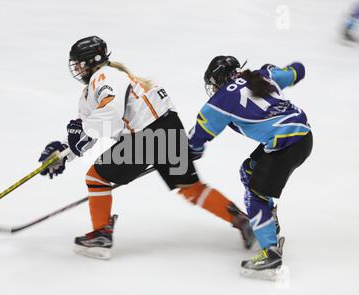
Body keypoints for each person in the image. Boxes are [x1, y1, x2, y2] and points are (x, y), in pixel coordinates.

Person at [38, 36, 254, 260]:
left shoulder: (105, 76)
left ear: (92, 61)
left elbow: (109, 119)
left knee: (96, 178)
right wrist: (63, 153)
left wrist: (80, 135)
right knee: (191, 187)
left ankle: (101, 235)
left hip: (148, 134)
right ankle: (243, 221)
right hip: (168, 127)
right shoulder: (107, 83)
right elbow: (89, 130)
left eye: (80, 63)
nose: (77, 69)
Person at [188, 56, 313, 279]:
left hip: (285, 143)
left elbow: (197, 138)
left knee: (256, 193)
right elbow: (298, 71)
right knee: (249, 171)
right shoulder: (261, 74)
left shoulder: (221, 100)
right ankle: (268, 221)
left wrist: (191, 152)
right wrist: (290, 70)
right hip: (302, 136)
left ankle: (270, 255)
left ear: (218, 79)